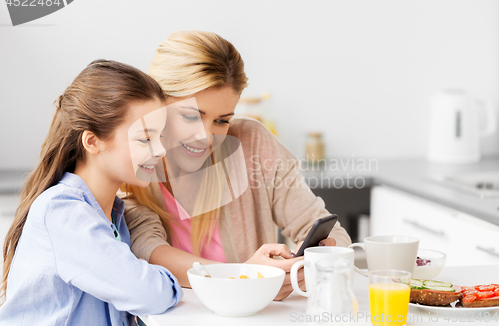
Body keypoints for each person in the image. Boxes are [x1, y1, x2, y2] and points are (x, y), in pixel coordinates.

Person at [121, 31, 352, 301]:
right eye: (190, 116)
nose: (207, 137)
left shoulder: (252, 144)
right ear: (156, 104)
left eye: (222, 120)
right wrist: (246, 277)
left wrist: (316, 259)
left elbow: (329, 230)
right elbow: (147, 250)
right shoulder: (134, 160)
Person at [0, 60, 182, 325]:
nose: (161, 150)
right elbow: (149, 294)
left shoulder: (114, 214)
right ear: (92, 141)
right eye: (145, 138)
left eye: (160, 137)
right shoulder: (63, 212)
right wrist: (166, 278)